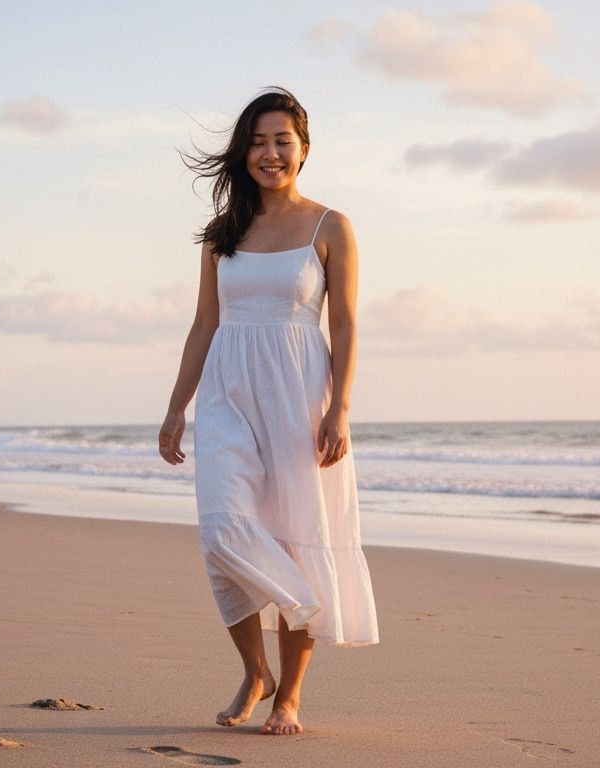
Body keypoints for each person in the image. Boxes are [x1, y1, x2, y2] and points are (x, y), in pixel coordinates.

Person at [158, 87, 380, 736]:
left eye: (282, 140)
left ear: (304, 150)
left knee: (295, 531)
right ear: (242, 152)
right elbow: (204, 325)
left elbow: (344, 324)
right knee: (222, 529)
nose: (269, 152)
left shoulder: (329, 226)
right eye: (257, 141)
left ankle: (289, 697)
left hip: (297, 393)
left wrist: (339, 409)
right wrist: (177, 409)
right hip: (228, 394)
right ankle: (256, 670)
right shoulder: (222, 235)